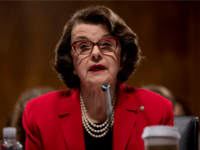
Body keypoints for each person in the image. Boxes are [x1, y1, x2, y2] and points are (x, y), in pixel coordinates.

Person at [22, 5, 174, 150]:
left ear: (122, 56)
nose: (95, 53)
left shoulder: (156, 111)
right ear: (71, 61)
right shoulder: (39, 114)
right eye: (83, 46)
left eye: (107, 44)